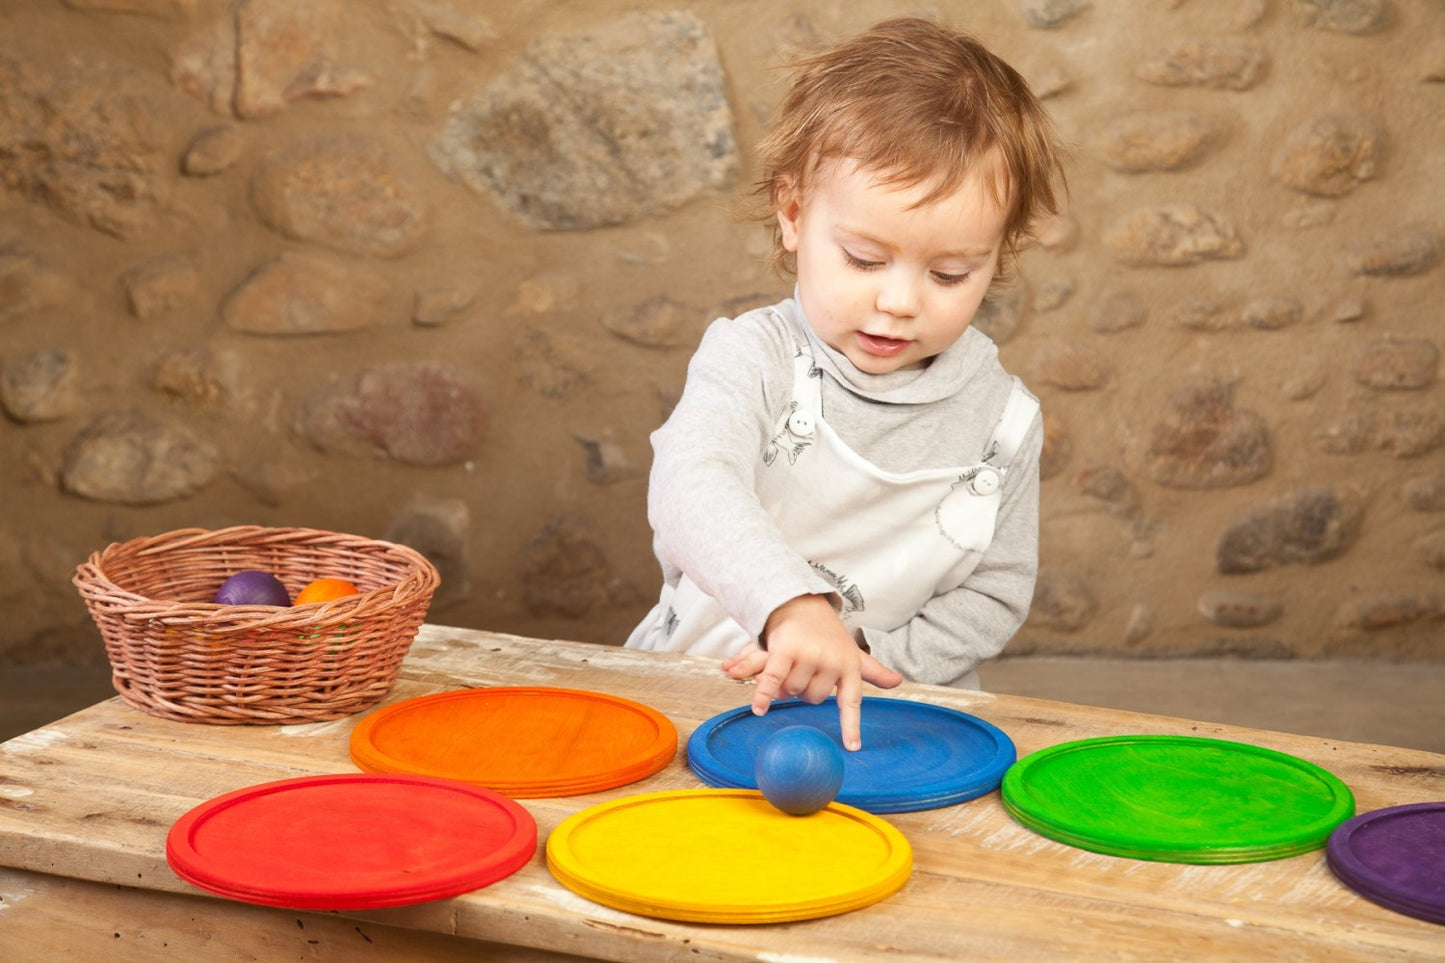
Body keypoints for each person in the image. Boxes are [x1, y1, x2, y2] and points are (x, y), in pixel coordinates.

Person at [625, 17, 1067, 750]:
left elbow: (992, 593)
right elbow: (688, 484)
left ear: (998, 255)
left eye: (949, 273)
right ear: (793, 213)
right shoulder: (752, 359)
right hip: (694, 697)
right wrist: (793, 609)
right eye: (865, 259)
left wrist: (854, 664)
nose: (899, 301)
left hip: (888, 724)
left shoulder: (1004, 421)